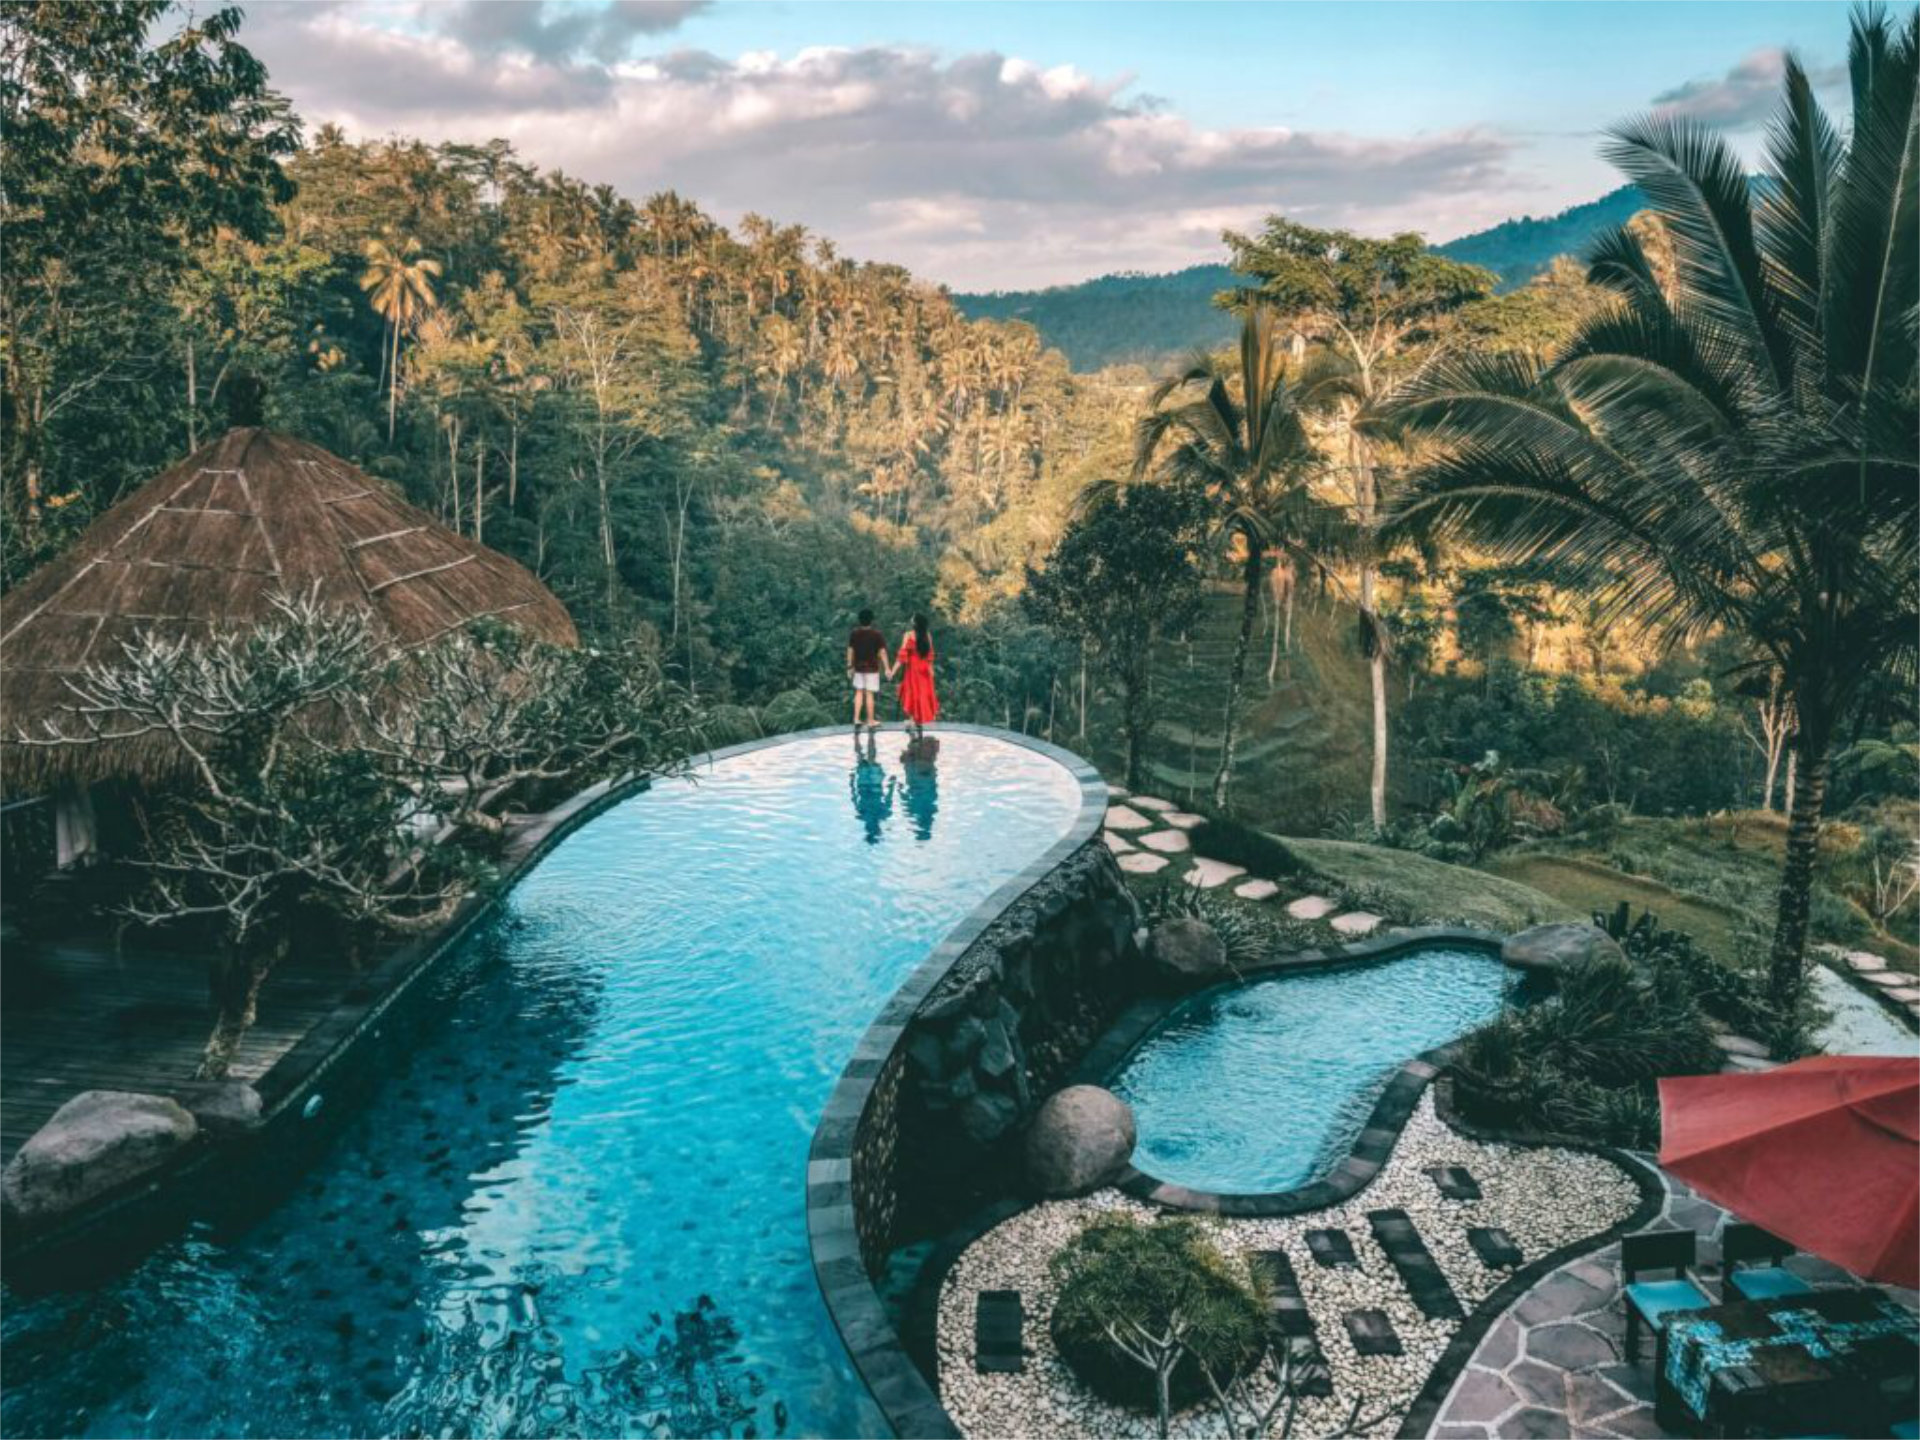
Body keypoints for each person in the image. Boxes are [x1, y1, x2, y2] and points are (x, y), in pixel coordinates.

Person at [889, 613, 940, 740]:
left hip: (913, 669)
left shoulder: (908, 635)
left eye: (912, 619)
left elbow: (901, 657)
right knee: (922, 694)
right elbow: (930, 656)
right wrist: (931, 670)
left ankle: (912, 720)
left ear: (915, 623)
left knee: (913, 694)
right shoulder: (927, 635)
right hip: (924, 669)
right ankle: (916, 721)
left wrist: (892, 671)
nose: (910, 620)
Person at [846, 607, 889, 731]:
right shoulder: (877, 635)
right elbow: (882, 652)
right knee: (869, 694)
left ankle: (856, 718)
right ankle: (870, 720)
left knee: (859, 692)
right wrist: (887, 668)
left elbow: (850, 650)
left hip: (858, 668)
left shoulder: (854, 634)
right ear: (871, 620)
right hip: (872, 668)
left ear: (859, 620)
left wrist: (849, 666)